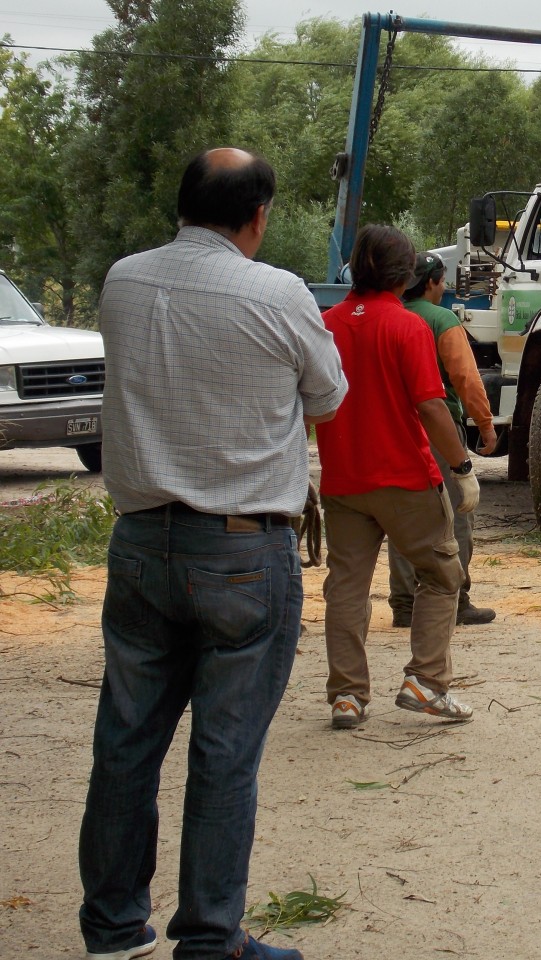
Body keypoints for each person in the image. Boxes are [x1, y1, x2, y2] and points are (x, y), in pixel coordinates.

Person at [80, 147, 348, 960]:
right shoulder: (278, 292)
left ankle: (114, 928)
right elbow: (328, 396)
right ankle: (209, 938)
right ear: (258, 216)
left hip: (140, 542)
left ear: (183, 204)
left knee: (125, 742)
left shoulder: (123, 279)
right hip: (240, 548)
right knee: (225, 753)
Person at [317, 225, 480, 730]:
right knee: (441, 575)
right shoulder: (408, 327)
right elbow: (431, 407)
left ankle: (347, 695)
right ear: (406, 273)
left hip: (344, 478)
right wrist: (463, 466)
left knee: (346, 586)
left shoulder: (325, 324)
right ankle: (426, 682)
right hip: (407, 478)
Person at [387, 251, 499, 628]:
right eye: (442, 280)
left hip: (394, 430)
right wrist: (485, 423)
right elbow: (466, 378)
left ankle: (404, 604)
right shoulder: (442, 319)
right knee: (456, 513)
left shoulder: (392, 316)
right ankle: (456, 598)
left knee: (403, 514)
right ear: (433, 282)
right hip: (438, 427)